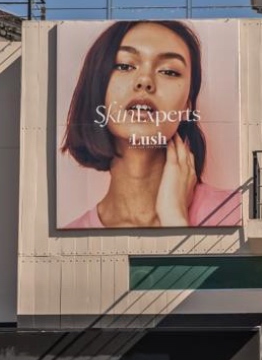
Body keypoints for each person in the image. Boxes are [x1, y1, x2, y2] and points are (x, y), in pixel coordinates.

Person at [61, 20, 240, 229]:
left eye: (169, 71)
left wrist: (175, 220)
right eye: (125, 65)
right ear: (97, 88)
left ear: (187, 105)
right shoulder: (71, 235)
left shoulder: (235, 213)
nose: (144, 80)